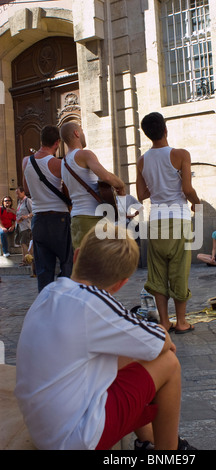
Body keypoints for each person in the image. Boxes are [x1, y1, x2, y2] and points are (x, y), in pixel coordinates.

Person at [15, 225, 196, 451]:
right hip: (75, 438)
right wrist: (163, 340)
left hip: (44, 429)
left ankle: (148, 439)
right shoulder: (94, 302)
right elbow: (160, 342)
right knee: (168, 363)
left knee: (125, 356)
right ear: (121, 283)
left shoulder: (50, 292)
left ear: (78, 254)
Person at [136, 112, 201, 334]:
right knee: (179, 269)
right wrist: (197, 203)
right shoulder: (181, 154)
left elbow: (141, 193)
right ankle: (181, 322)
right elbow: (187, 189)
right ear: (165, 129)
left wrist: (157, 186)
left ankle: (164, 322)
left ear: (147, 134)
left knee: (157, 272)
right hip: (179, 218)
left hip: (155, 221)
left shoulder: (142, 160)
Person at [60, 121, 126, 249]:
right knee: (101, 264)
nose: (84, 134)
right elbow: (106, 176)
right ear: (76, 133)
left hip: (76, 219)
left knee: (83, 264)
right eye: (82, 131)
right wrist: (121, 184)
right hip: (93, 218)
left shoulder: (63, 163)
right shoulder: (84, 154)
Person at [23, 125, 73, 292]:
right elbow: (69, 190)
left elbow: (27, 190)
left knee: (44, 271)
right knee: (67, 264)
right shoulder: (57, 163)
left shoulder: (26, 162)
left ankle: (46, 306)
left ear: (41, 141)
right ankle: (63, 301)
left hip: (38, 220)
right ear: (57, 142)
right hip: (58, 219)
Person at [15, 186, 33, 266]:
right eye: (16, 194)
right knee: (23, 244)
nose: (17, 196)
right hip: (20, 226)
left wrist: (27, 216)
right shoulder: (20, 202)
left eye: (18, 193)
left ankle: (27, 261)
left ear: (23, 192)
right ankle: (24, 260)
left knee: (24, 243)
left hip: (26, 226)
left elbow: (34, 211)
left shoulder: (27, 201)